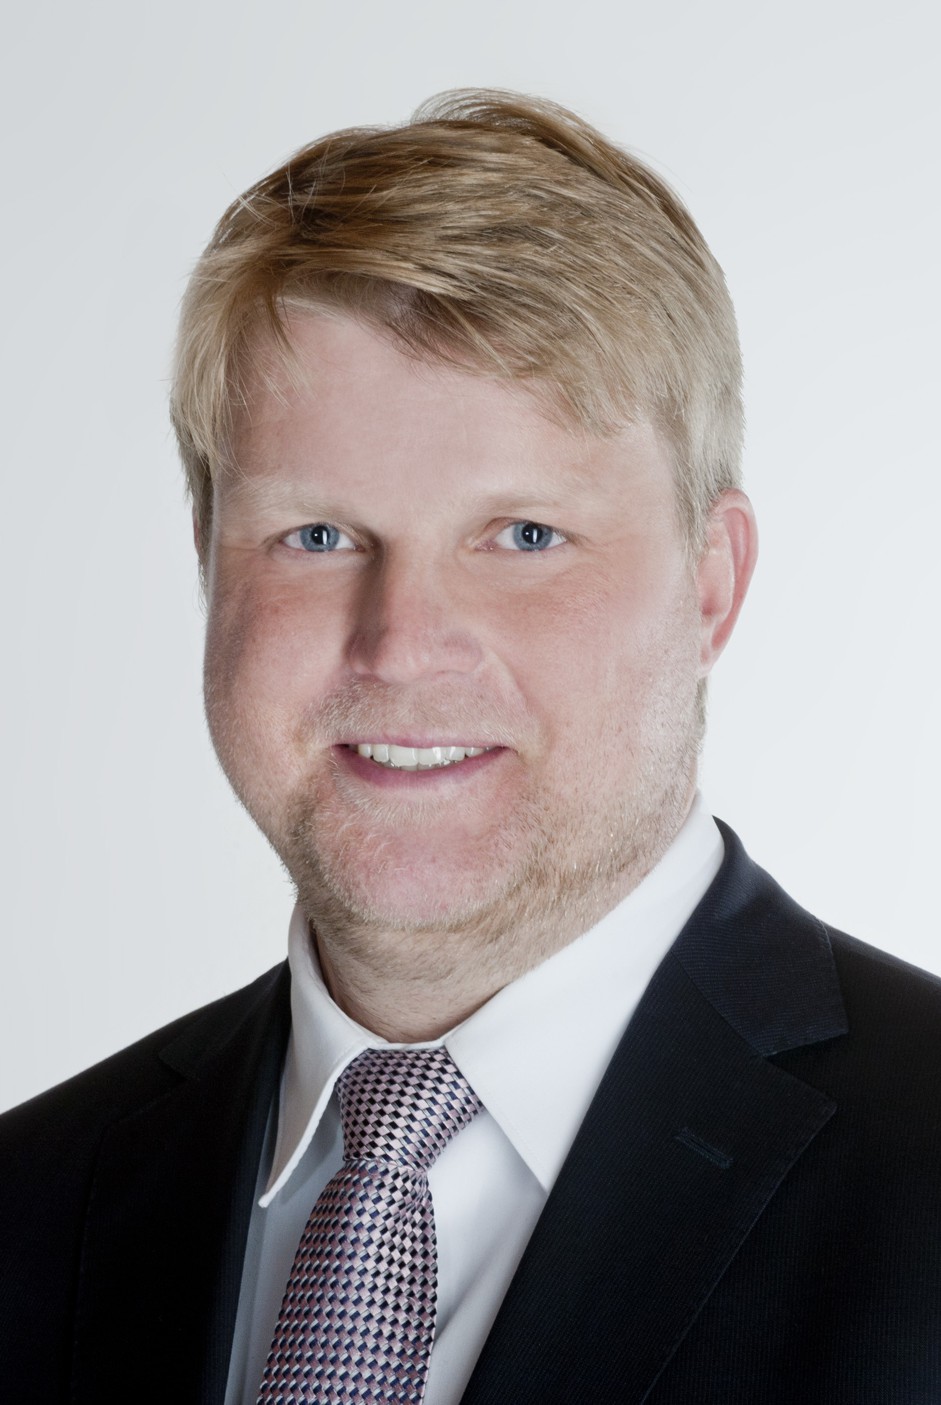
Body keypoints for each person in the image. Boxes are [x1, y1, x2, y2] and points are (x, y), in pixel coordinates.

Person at [1, 89, 939, 1405]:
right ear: (208, 563)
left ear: (711, 584)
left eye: (523, 536)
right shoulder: (30, 1205)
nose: (401, 645)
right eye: (317, 535)